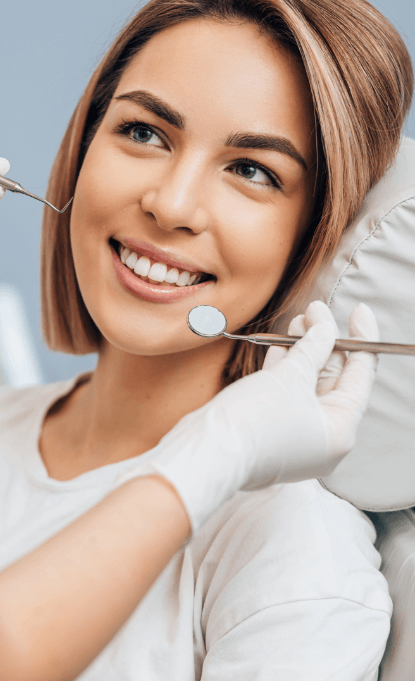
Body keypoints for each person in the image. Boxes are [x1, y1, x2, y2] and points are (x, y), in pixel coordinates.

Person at [0, 0, 412, 679]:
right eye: (143, 131)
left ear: (314, 233)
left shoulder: (290, 556)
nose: (171, 203)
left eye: (252, 170)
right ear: (82, 148)